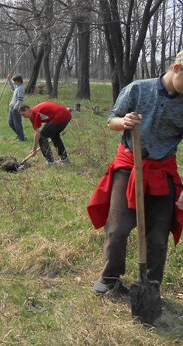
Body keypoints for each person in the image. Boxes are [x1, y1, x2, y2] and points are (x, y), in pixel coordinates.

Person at [87, 52, 183, 295]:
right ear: (177, 67)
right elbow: (111, 120)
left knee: (158, 236)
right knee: (118, 228)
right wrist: (124, 122)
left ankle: (150, 285)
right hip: (129, 167)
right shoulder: (137, 90)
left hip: (162, 171)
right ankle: (110, 277)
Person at [19, 101, 71, 166]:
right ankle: (65, 160)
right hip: (66, 115)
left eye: (23, 114)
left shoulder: (33, 114)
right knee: (54, 136)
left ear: (27, 109)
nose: (24, 117)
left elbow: (37, 134)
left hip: (59, 117)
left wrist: (34, 149)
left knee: (41, 137)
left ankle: (51, 162)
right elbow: (62, 110)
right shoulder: (36, 110)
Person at [8, 75, 25, 141]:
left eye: (15, 81)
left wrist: (15, 108)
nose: (14, 82)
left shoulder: (21, 89)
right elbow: (13, 88)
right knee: (10, 122)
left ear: (19, 81)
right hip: (12, 107)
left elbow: (20, 100)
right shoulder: (18, 87)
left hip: (17, 108)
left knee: (17, 123)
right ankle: (19, 134)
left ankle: (21, 137)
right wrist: (9, 80)